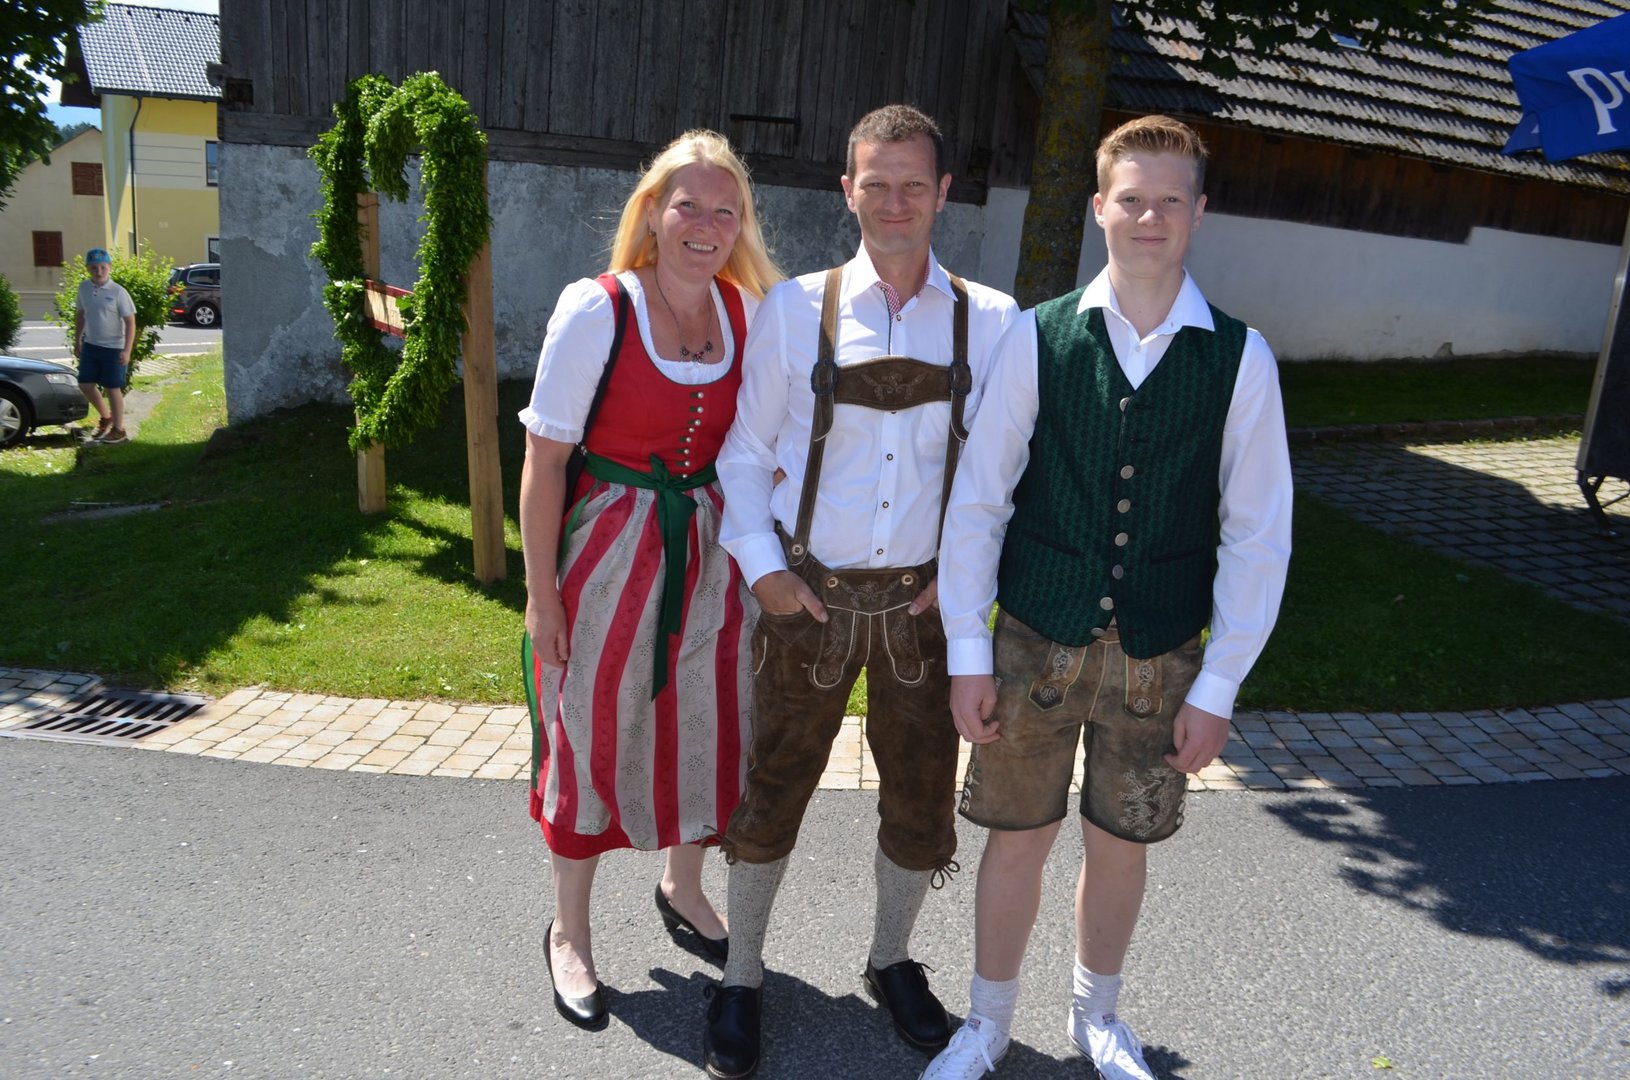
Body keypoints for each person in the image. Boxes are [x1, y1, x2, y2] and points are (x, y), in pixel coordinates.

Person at [922, 114, 1293, 1080]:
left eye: (1171, 199)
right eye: (1132, 198)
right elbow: (980, 502)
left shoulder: (1240, 357)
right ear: (1099, 208)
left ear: (1200, 213)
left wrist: (1219, 684)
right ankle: (987, 1023)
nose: (1150, 217)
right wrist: (968, 651)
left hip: (1159, 653)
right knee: (1016, 842)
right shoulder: (1038, 337)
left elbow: (1258, 534)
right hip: (1034, 640)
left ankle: (1097, 1017)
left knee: (1121, 843)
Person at [705, 105, 1019, 1079]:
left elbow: (1003, 476)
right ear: (847, 190)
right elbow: (744, 452)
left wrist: (965, 581)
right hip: (807, 600)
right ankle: (742, 974)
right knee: (773, 788)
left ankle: (889, 959)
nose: (894, 203)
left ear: (943, 193)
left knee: (921, 799)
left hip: (924, 611)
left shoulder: (992, 322)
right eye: (875, 184)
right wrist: (763, 570)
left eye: (913, 185)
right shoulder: (794, 310)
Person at [517, 130, 781, 1032]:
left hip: (712, 546)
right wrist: (542, 593)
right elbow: (545, 462)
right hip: (612, 545)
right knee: (593, 727)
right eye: (688, 205)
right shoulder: (599, 309)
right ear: (654, 213)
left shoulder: (750, 312)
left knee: (709, 724)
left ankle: (682, 885)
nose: (706, 225)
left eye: (725, 210)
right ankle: (570, 929)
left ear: (741, 224)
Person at [74, 248, 136, 444]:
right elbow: (80, 315)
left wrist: (127, 350)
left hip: (114, 347)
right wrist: (77, 339)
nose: (99, 272)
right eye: (94, 268)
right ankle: (106, 417)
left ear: (109, 267)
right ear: (88, 269)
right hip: (91, 345)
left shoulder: (118, 292)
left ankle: (119, 430)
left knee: (112, 387)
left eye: (102, 267)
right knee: (85, 384)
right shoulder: (84, 288)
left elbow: (130, 322)